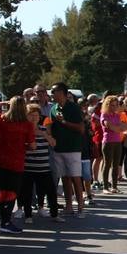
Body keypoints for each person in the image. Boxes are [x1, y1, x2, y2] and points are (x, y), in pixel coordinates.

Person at [0, 97, 35, 233]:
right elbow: (32, 145)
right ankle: (6, 221)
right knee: (12, 192)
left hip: (0, 160)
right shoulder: (27, 125)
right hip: (16, 161)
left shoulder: (2, 120)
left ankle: (4, 220)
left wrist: (0, 104)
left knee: (3, 191)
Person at [48, 85, 86, 216]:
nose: (52, 94)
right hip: (58, 149)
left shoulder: (74, 108)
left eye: (54, 91)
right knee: (65, 178)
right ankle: (68, 205)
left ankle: (80, 206)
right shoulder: (53, 108)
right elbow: (51, 128)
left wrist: (64, 122)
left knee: (75, 177)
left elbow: (81, 129)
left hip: (73, 148)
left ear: (62, 93)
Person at [19, 104, 58, 223]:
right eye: (31, 115)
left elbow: (53, 144)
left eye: (36, 115)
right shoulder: (23, 130)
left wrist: (44, 135)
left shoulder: (43, 129)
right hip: (28, 167)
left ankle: (54, 214)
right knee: (27, 192)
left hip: (44, 166)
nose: (34, 117)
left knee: (51, 191)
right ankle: (28, 216)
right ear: (26, 116)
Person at [99, 95, 127, 194]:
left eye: (115, 105)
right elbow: (111, 126)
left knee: (116, 165)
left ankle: (114, 186)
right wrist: (118, 127)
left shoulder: (117, 115)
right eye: (112, 105)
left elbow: (125, 127)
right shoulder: (104, 115)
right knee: (107, 164)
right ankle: (105, 187)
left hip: (117, 141)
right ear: (107, 105)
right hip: (108, 142)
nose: (114, 107)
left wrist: (117, 127)